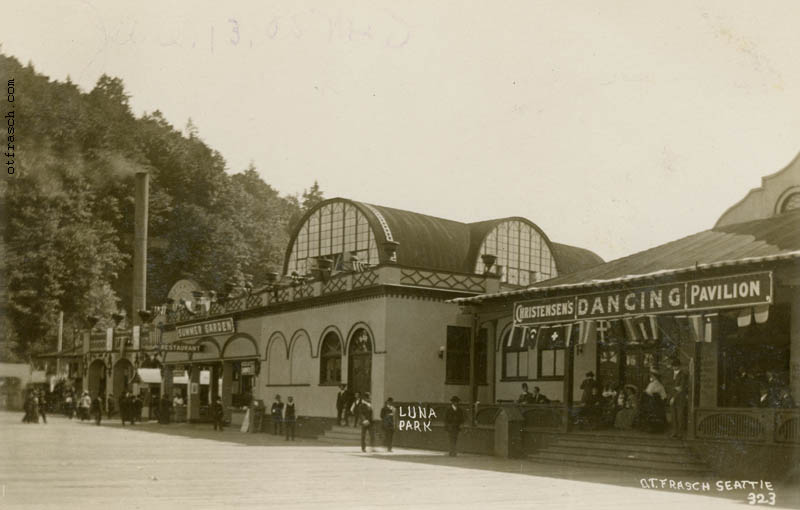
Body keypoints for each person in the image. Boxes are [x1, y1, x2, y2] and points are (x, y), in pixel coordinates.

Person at [669, 360, 688, 439]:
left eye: (676, 366)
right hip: (672, 397)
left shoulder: (683, 374)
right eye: (673, 366)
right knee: (673, 416)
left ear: (679, 366)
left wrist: (674, 397)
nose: (674, 368)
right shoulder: (671, 374)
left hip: (679, 398)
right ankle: (674, 432)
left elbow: (681, 388)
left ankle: (680, 433)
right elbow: (669, 385)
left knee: (679, 416)